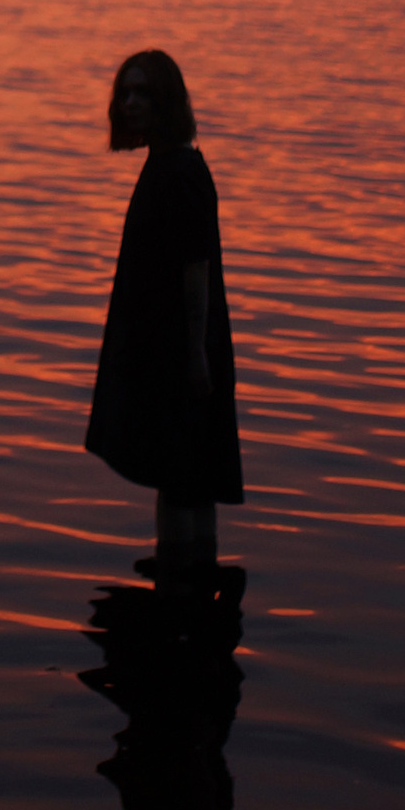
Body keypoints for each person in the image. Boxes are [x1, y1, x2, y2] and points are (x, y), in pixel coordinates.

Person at [85, 48, 243, 581]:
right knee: (187, 474)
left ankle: (178, 582)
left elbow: (196, 268)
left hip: (181, 348)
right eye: (125, 93)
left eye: (142, 94)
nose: (130, 103)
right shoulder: (167, 166)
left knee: (181, 475)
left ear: (166, 101)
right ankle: (192, 584)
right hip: (169, 345)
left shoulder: (179, 171)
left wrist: (195, 354)